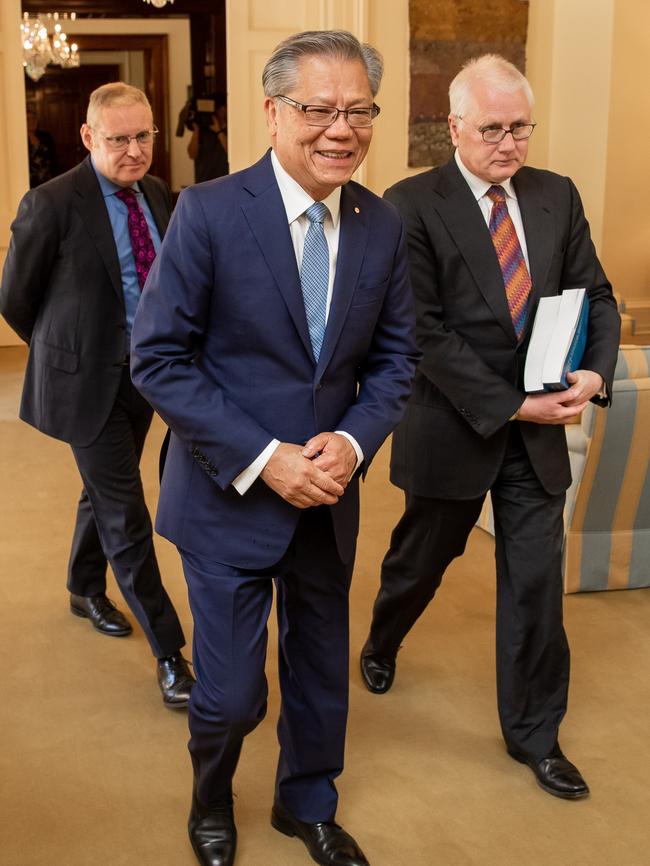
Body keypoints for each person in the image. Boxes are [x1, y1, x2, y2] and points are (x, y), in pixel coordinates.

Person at [130, 30, 418, 866]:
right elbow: (158, 359)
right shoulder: (211, 212)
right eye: (318, 109)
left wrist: (352, 444)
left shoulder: (381, 223)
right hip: (228, 499)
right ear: (271, 113)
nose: (342, 129)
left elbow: (399, 359)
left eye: (359, 110)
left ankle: (306, 804)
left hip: (328, 499)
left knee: (322, 673)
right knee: (227, 695)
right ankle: (212, 795)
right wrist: (267, 457)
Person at [360, 55, 621, 800]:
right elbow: (424, 332)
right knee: (420, 562)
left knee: (536, 584)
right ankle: (383, 637)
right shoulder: (409, 203)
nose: (507, 144)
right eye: (492, 129)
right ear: (455, 127)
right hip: (452, 424)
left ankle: (536, 736)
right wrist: (510, 403)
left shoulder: (556, 197)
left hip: (537, 435)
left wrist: (594, 375)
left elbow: (594, 296)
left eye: (520, 129)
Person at [0, 82, 195, 709]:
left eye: (145, 137)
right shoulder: (51, 203)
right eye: (119, 139)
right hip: (87, 382)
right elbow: (16, 300)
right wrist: (67, 352)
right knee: (125, 510)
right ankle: (171, 654)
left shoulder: (158, 195)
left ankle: (84, 584)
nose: (135, 150)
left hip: (148, 378)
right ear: (89, 137)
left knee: (103, 488)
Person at [186, 93, 229, 183]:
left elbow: (231, 152)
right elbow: (192, 154)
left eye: (219, 109)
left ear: (224, 109)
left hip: (224, 182)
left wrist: (219, 131)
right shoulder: (203, 130)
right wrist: (196, 130)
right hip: (203, 182)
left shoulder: (230, 130)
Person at [26, 108, 60, 188]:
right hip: (30, 182)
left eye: (34, 118)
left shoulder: (45, 136)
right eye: (28, 119)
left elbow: (53, 158)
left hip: (48, 180)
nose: (32, 121)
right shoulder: (21, 140)